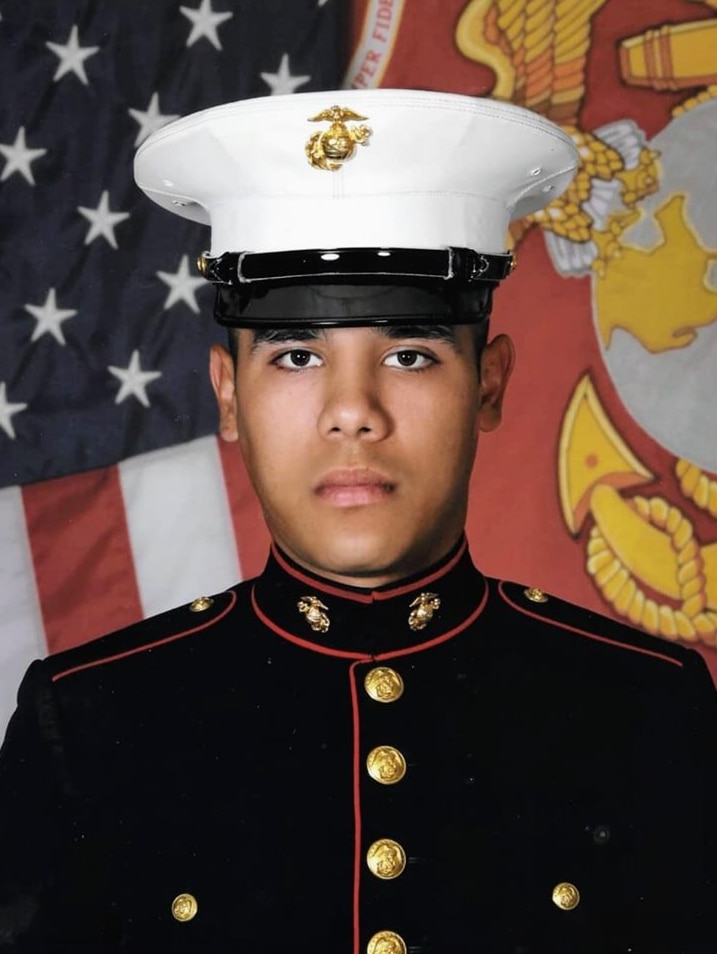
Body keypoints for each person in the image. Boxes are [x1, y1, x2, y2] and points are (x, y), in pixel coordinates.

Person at [0, 89, 715, 954]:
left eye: (408, 354)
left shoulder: (646, 712)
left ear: (487, 384)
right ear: (229, 396)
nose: (352, 412)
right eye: (296, 356)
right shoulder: (85, 724)